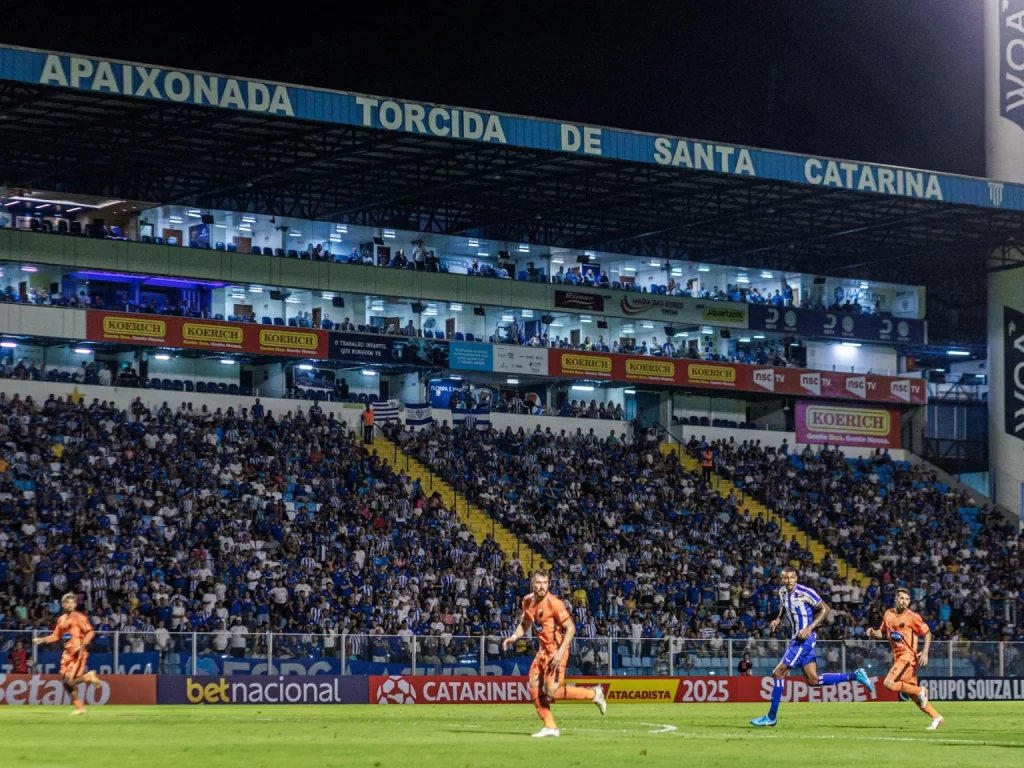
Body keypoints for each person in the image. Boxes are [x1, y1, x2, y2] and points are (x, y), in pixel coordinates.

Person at [750, 567, 873, 727]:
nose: (788, 581)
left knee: (778, 673)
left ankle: (771, 716)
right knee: (813, 681)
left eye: (791, 578)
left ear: (796, 578)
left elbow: (825, 609)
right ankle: (856, 676)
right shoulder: (782, 592)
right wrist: (778, 619)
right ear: (782, 579)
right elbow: (783, 607)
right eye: (785, 578)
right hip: (797, 638)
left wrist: (809, 628)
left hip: (803, 640)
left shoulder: (805, 592)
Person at [502, 570, 606, 738]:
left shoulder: (554, 603)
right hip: (543, 651)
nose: (542, 586)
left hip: (557, 653)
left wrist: (559, 652)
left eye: (544, 582)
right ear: (532, 584)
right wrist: (513, 637)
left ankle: (594, 694)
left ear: (548, 584)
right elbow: (526, 622)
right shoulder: (527, 601)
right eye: (538, 582)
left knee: (551, 692)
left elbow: (571, 628)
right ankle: (550, 727)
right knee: (533, 685)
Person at [866, 587, 944, 730]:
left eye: (907, 599)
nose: (904, 602)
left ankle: (921, 690)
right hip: (898, 658)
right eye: (902, 598)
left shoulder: (912, 617)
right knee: (913, 696)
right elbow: (881, 633)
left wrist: (925, 652)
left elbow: (927, 633)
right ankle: (937, 717)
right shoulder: (888, 614)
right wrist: (872, 632)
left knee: (888, 683)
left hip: (907, 657)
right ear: (895, 599)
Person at [33, 593, 102, 715]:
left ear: (75, 604)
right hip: (67, 653)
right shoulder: (61, 619)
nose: (70, 605)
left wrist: (83, 644)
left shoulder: (79, 617)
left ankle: (89, 676)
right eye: (67, 602)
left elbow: (90, 632)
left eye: (72, 602)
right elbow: (56, 636)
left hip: (77, 652)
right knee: (65, 682)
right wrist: (42, 639)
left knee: (69, 681)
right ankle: (80, 708)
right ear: (63, 604)